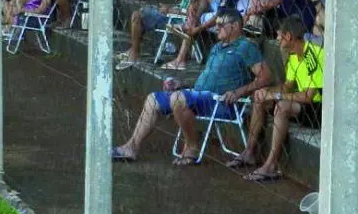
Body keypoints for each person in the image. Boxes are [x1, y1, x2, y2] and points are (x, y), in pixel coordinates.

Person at [111, 9, 272, 164]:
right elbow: (207, 79)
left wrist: (239, 91)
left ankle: (192, 147)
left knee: (178, 99)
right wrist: (182, 84)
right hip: (199, 95)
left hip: (221, 102)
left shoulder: (246, 46)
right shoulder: (216, 48)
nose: (217, 28)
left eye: (222, 25)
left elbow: (266, 77)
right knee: (153, 99)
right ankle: (131, 147)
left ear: (236, 26)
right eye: (216, 24)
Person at [229, 15, 324, 182]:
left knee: (282, 106)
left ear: (289, 36)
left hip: (320, 109)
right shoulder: (294, 55)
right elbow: (287, 86)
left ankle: (271, 165)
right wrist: (266, 92)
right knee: (260, 98)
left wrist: (276, 95)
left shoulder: (311, 55)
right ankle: (249, 151)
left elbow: (309, 97)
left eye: (279, 35)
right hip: (304, 105)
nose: (277, 39)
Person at [115, 0, 204, 66]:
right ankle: (133, 50)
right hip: (173, 14)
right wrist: (169, 7)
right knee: (140, 13)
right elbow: (184, 5)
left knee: (137, 16)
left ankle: (134, 53)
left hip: (177, 19)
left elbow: (190, 13)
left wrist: (170, 10)